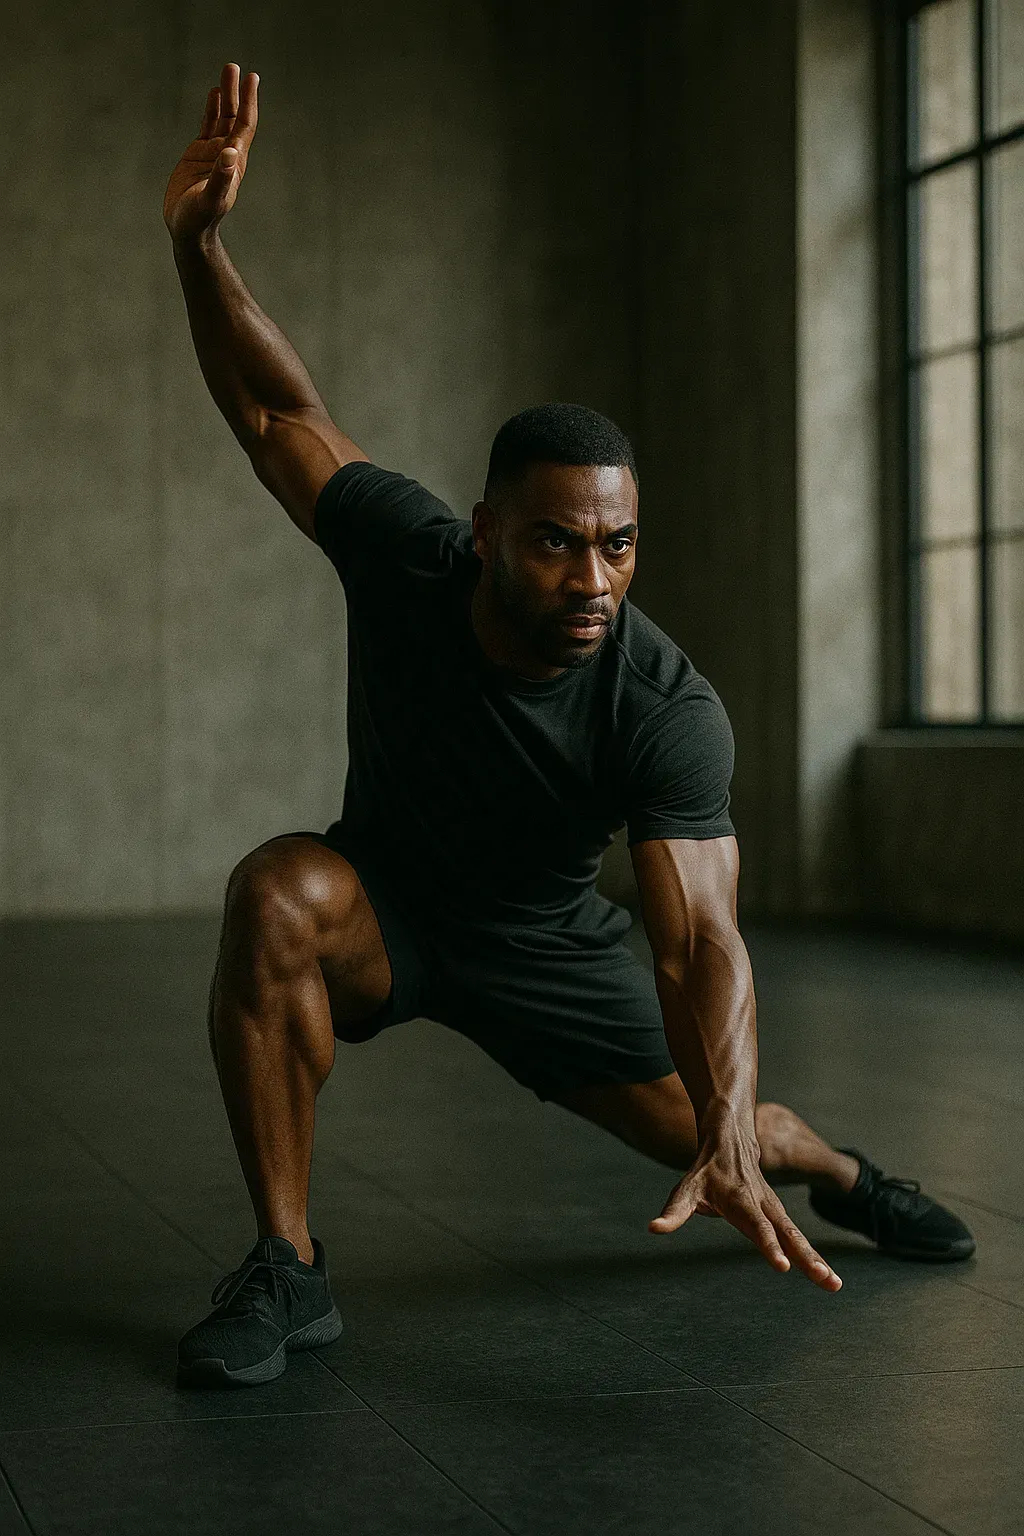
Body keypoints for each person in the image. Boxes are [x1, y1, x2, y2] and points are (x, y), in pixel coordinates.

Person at [165, 63, 975, 1389]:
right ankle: (287, 1269)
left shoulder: (663, 706)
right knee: (274, 896)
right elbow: (277, 415)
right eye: (553, 544)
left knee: (729, 1135)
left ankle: (843, 1172)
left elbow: (701, 937)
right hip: (389, 908)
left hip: (546, 949)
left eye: (616, 545)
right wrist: (199, 246)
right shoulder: (409, 555)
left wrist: (722, 1120)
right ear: (486, 536)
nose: (592, 579)